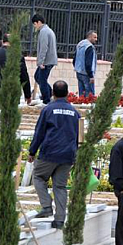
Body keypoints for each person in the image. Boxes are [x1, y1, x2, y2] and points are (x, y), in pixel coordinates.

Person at [28, 81, 80, 229]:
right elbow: (79, 135)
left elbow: (40, 132)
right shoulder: (74, 112)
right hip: (67, 155)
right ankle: (59, 219)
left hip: (50, 153)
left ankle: (46, 206)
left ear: (53, 93)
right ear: (67, 93)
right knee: (60, 186)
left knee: (38, 177)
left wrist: (32, 151)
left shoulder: (48, 110)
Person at [32, 14, 58, 104]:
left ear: (39, 22)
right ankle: (50, 93)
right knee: (37, 77)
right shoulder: (47, 30)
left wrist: (41, 62)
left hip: (46, 61)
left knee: (42, 80)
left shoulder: (44, 32)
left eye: (35, 24)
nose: (35, 27)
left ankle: (46, 100)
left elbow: (44, 47)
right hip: (49, 60)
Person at [74, 30, 98, 97]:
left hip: (79, 72)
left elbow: (74, 58)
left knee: (81, 94)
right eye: (94, 37)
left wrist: (76, 67)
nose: (96, 39)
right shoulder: (89, 47)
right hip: (86, 74)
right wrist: (91, 76)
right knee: (89, 95)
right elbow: (88, 63)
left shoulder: (80, 44)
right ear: (90, 37)